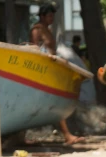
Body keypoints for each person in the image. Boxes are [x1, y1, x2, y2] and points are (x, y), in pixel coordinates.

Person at [30, 4, 84, 145]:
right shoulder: (37, 29)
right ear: (42, 16)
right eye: (49, 16)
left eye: (52, 16)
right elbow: (33, 49)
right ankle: (67, 135)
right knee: (55, 100)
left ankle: (68, 135)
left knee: (56, 101)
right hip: (42, 71)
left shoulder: (47, 30)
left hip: (50, 69)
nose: (52, 18)